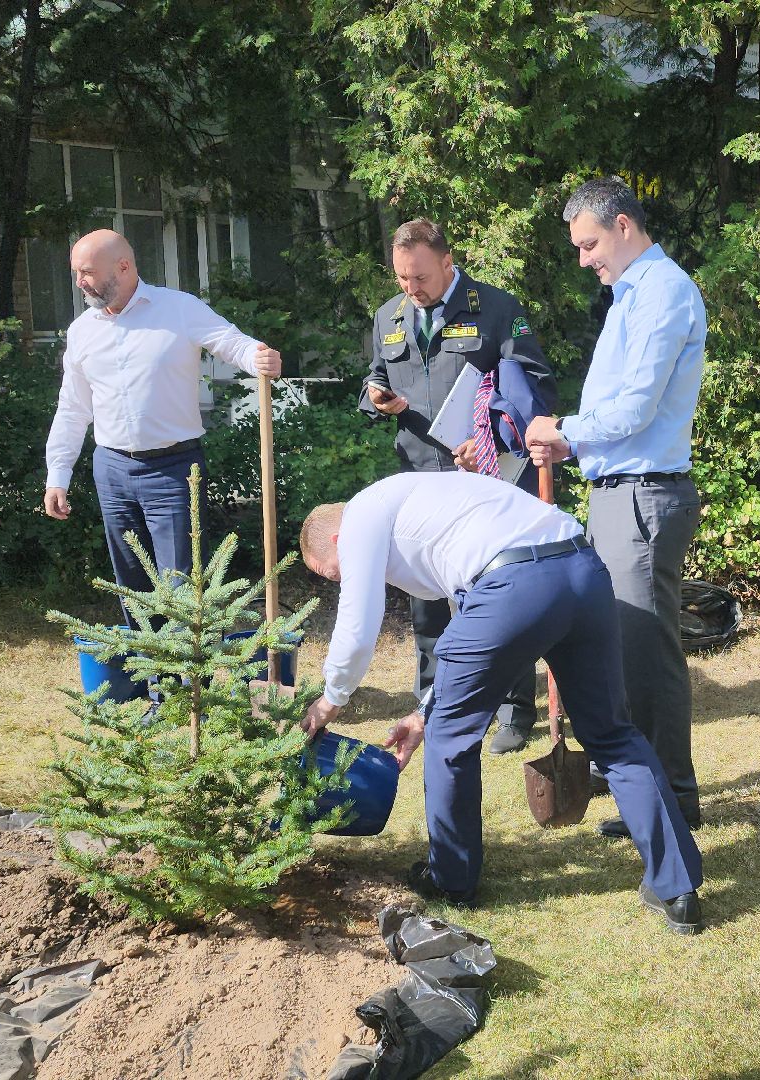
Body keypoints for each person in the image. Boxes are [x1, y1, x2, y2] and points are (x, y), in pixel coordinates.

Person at [298, 472, 706, 932]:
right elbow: (467, 625)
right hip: (581, 568)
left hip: (512, 583)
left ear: (338, 539)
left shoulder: (361, 516)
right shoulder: (428, 501)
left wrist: (331, 699)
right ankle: (677, 889)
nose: (340, 579)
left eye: (333, 572)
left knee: (450, 739)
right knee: (611, 733)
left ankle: (452, 879)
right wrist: (425, 711)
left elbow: (358, 624)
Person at [524, 177, 707, 837]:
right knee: (621, 650)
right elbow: (621, 412)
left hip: (643, 500)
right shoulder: (631, 294)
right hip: (619, 494)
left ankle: (670, 802)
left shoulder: (663, 292)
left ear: (623, 225)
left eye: (589, 244)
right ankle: (640, 784)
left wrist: (565, 431)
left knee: (645, 656)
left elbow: (635, 409)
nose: (584, 260)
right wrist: (572, 444)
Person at [359, 219, 557, 756]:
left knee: (498, 595)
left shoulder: (496, 307)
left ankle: (514, 708)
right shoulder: (389, 315)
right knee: (427, 600)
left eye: (420, 277)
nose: (411, 288)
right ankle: (434, 704)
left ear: (447, 262)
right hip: (420, 477)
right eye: (402, 278)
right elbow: (376, 375)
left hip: (483, 477)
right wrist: (375, 395)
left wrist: (488, 436)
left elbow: (534, 387)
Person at [43, 230, 282, 612]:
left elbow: (230, 341)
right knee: (133, 587)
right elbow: (72, 407)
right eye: (76, 273)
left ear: (123, 267)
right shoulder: (82, 331)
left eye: (87, 272)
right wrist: (58, 475)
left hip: (174, 470)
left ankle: (189, 656)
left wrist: (258, 357)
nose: (79, 282)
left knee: (183, 585)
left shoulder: (179, 309)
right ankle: (147, 655)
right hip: (112, 470)